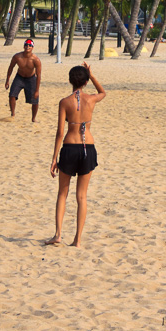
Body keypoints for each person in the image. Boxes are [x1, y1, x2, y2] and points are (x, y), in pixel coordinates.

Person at [47, 62, 106, 247]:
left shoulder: (65, 102)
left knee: (62, 193)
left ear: (69, 81)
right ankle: (77, 240)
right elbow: (103, 92)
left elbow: (59, 132)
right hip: (88, 148)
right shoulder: (91, 100)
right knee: (82, 196)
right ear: (86, 81)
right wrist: (92, 75)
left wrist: (54, 159)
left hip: (70, 148)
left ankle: (58, 234)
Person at [4, 38, 43, 122]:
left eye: (30, 45)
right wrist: (7, 80)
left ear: (32, 47)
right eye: (26, 45)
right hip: (19, 77)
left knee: (35, 100)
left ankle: (33, 118)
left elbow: (39, 75)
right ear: (23, 46)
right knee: (12, 95)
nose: (27, 47)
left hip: (31, 79)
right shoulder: (17, 57)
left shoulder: (36, 60)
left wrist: (37, 90)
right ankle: (13, 114)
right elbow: (11, 68)